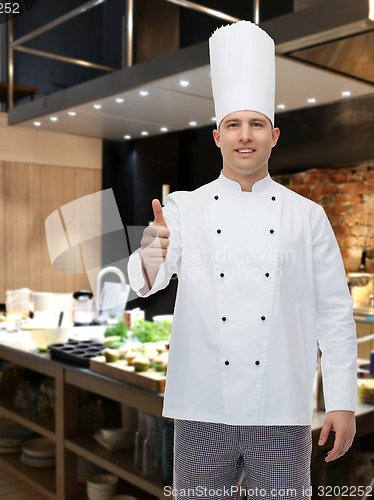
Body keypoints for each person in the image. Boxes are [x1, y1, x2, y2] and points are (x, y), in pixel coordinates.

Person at [128, 21, 357, 500]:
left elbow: (335, 314)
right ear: (217, 137)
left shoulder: (308, 216)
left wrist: (342, 402)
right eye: (233, 125)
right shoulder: (183, 209)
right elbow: (146, 282)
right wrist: (153, 248)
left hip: (281, 410)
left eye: (256, 124)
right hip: (201, 405)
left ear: (274, 136)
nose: (244, 136)